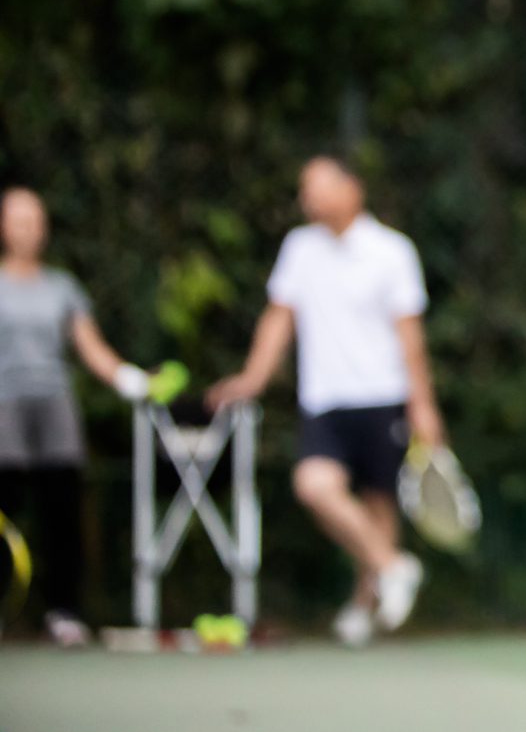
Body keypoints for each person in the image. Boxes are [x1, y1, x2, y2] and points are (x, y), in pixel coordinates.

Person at [208, 157, 440, 647]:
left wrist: (423, 405)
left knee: (378, 504)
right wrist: (252, 377)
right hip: (324, 401)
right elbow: (278, 319)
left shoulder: (392, 251)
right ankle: (392, 568)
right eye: (303, 189)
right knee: (315, 486)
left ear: (352, 188)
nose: (306, 198)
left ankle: (364, 604)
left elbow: (410, 336)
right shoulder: (299, 249)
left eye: (316, 187)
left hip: (383, 396)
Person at [0, 185, 161, 646]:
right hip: (3, 407)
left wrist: (129, 379)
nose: (27, 230)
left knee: (62, 512)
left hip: (55, 405)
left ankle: (64, 612)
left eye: (34, 221)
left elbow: (90, 348)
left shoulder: (61, 287)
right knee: (4, 512)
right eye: (17, 220)